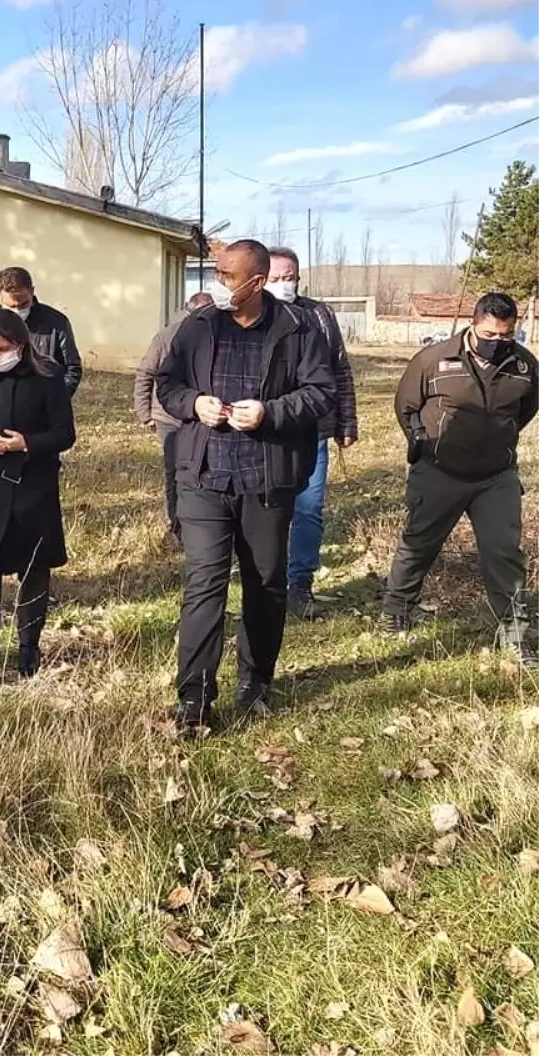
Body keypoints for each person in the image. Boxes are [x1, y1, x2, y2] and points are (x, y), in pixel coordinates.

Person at [156, 239, 335, 730]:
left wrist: (270, 413)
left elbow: (322, 392)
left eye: (226, 276)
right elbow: (165, 385)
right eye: (216, 272)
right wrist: (194, 404)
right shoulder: (196, 327)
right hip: (205, 475)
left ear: (257, 284)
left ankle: (255, 681)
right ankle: (193, 697)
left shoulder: (298, 330)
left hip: (267, 479)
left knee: (265, 584)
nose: (217, 283)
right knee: (204, 583)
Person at [381, 292, 539, 665]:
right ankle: (396, 610)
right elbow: (406, 406)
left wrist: (497, 441)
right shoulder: (434, 360)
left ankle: (515, 635)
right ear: (473, 324)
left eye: (506, 336)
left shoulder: (524, 365)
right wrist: (424, 443)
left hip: (495, 477)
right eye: (490, 334)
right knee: (419, 544)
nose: (497, 343)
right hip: (440, 473)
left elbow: (526, 411)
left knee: (505, 553)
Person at [0, 308, 75, 683]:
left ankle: (28, 646)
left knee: (34, 568)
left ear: (20, 345)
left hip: (34, 485)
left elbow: (64, 433)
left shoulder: (49, 376)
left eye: (2, 347)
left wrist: (29, 443)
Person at [266, 247, 359, 618]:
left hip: (313, 429)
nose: (282, 284)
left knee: (309, 508)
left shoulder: (319, 315)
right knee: (268, 508)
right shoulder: (251, 316)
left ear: (299, 278)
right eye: (275, 278)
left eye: (288, 277)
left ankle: (300, 583)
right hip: (266, 429)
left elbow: (340, 369)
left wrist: (346, 422)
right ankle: (265, 579)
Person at [135, 292, 214, 548]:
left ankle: (202, 525)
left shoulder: (221, 334)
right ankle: (175, 526)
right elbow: (146, 372)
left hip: (205, 417)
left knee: (202, 471)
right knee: (174, 471)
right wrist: (144, 411)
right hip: (168, 417)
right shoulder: (166, 337)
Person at [0, 266, 82, 396]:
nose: (17, 311)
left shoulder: (56, 323)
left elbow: (72, 369)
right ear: (0, 295)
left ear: (32, 291)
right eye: (11, 306)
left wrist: (55, 401)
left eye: (23, 305)